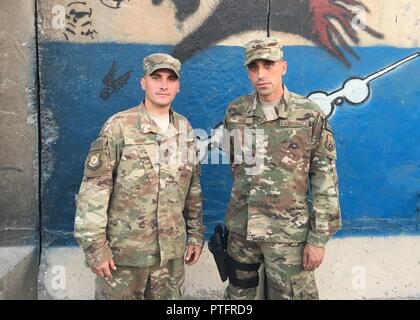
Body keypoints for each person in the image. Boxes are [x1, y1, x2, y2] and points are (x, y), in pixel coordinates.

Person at [74, 53, 204, 300]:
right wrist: (95, 248)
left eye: (170, 79)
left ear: (178, 86)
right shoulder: (118, 126)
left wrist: (196, 234)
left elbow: (193, 187)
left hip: (170, 259)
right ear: (143, 82)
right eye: (156, 77)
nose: (163, 84)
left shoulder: (185, 129)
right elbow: (94, 192)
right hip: (123, 258)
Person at [221, 37, 341, 300]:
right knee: (238, 298)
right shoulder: (235, 112)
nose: (261, 74)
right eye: (254, 68)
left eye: (269, 65)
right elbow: (235, 165)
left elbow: (324, 180)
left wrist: (318, 239)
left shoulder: (308, 114)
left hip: (288, 236)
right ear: (248, 72)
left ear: (283, 66)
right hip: (242, 234)